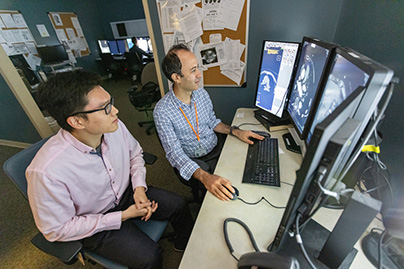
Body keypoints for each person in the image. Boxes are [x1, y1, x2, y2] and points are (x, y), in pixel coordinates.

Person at [26, 70, 194, 268]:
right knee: (151, 257)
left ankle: (184, 245)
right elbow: (56, 229)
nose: (115, 111)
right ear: (76, 121)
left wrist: (139, 188)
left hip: (126, 193)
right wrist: (123, 216)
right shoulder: (46, 171)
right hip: (93, 220)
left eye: (110, 102)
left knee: (179, 205)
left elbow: (135, 154)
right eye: (104, 108)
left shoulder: (114, 126)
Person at [153, 44, 264, 202]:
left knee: (244, 172)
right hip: (194, 162)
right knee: (222, 195)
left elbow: (213, 122)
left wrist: (235, 131)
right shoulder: (162, 111)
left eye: (197, 67)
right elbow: (174, 154)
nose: (199, 74)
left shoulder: (201, 94)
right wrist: (205, 177)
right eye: (193, 70)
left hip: (215, 148)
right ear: (176, 77)